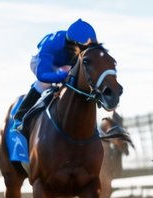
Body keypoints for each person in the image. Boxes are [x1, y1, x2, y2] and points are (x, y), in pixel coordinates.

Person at [6, 19, 98, 163]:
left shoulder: (81, 46)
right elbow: (42, 74)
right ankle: (21, 115)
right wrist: (61, 75)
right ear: (73, 44)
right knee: (44, 84)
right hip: (43, 64)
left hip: (65, 64)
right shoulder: (52, 45)